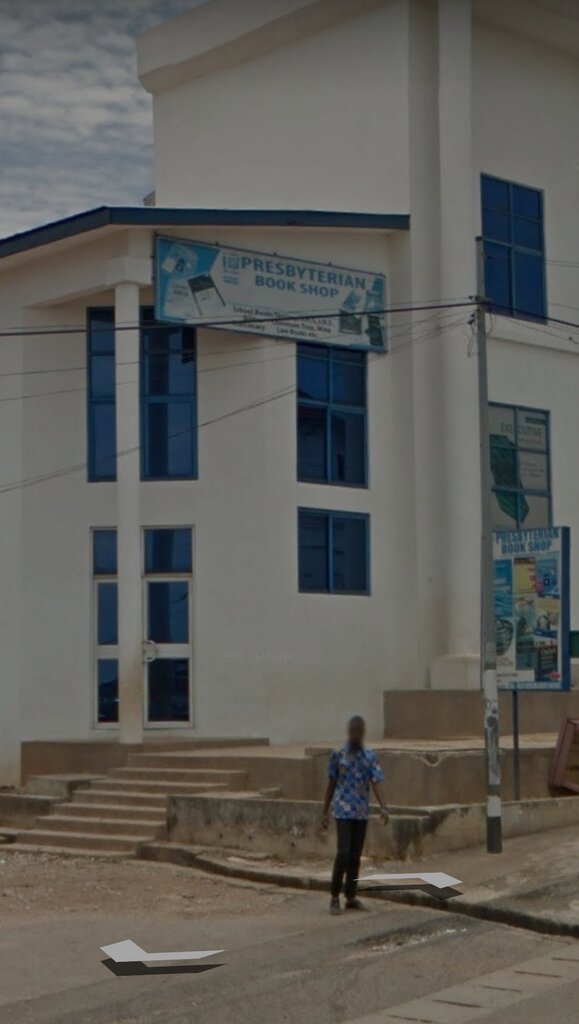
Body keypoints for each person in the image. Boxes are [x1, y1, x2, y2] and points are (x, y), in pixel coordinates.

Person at [321, 715, 389, 915]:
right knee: (342, 853)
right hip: (342, 810)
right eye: (354, 731)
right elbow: (331, 783)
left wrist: (383, 807)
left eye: (360, 732)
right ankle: (334, 895)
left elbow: (376, 781)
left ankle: (351, 896)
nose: (356, 735)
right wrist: (325, 811)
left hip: (360, 812)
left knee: (355, 856)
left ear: (363, 734)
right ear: (349, 732)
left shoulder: (369, 756)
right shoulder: (338, 755)